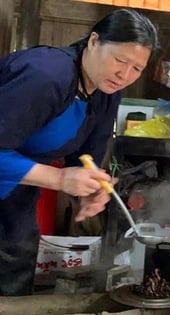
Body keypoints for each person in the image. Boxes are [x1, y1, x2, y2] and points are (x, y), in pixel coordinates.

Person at [0, 8, 159, 296]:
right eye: (120, 60)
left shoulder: (106, 92)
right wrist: (59, 179)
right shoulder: (47, 75)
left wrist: (89, 189)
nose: (124, 74)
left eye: (137, 69)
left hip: (15, 189)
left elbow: (86, 160)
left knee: (15, 270)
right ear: (94, 41)